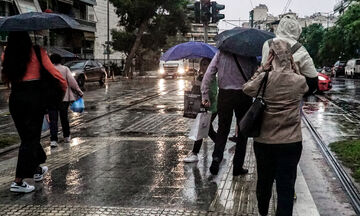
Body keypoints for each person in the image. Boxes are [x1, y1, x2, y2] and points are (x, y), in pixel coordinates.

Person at [243, 39, 308, 216]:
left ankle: (263, 212)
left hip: (264, 142)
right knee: (286, 188)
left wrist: (263, 68)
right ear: (290, 57)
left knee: (263, 182)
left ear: (271, 56)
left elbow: (247, 88)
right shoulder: (299, 80)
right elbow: (306, 87)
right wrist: (293, 67)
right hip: (291, 142)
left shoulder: (265, 78)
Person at [1, 32, 66, 193]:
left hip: (15, 99)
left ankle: (36, 170)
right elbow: (56, 75)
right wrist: (60, 94)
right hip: (33, 99)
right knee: (30, 139)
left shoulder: (6, 55)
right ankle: (18, 181)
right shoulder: (38, 52)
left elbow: (5, 78)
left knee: (27, 137)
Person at [201, 51, 257, 176]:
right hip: (244, 94)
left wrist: (205, 94)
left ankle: (216, 158)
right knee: (242, 132)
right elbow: (255, 76)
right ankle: (237, 167)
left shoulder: (221, 53)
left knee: (223, 128)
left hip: (225, 95)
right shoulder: (249, 54)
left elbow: (209, 73)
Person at [261, 15, 318, 96]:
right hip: (292, 99)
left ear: (280, 28)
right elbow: (313, 79)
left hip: (269, 96)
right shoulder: (300, 49)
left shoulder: (267, 44)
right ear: (297, 30)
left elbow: (263, 68)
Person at [184, 58, 217, 163]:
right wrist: (194, 85)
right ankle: (220, 145)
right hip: (201, 108)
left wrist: (201, 85)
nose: (203, 66)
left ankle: (194, 153)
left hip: (211, 108)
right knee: (208, 130)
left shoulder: (211, 78)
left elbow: (212, 93)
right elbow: (195, 93)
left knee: (201, 129)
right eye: (201, 64)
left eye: (205, 64)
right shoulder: (200, 76)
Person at [48, 54, 83, 147]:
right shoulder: (65, 69)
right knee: (64, 118)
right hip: (64, 98)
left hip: (51, 98)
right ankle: (66, 136)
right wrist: (79, 91)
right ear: (60, 60)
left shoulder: (48, 69)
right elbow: (72, 82)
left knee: (53, 120)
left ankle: (53, 140)